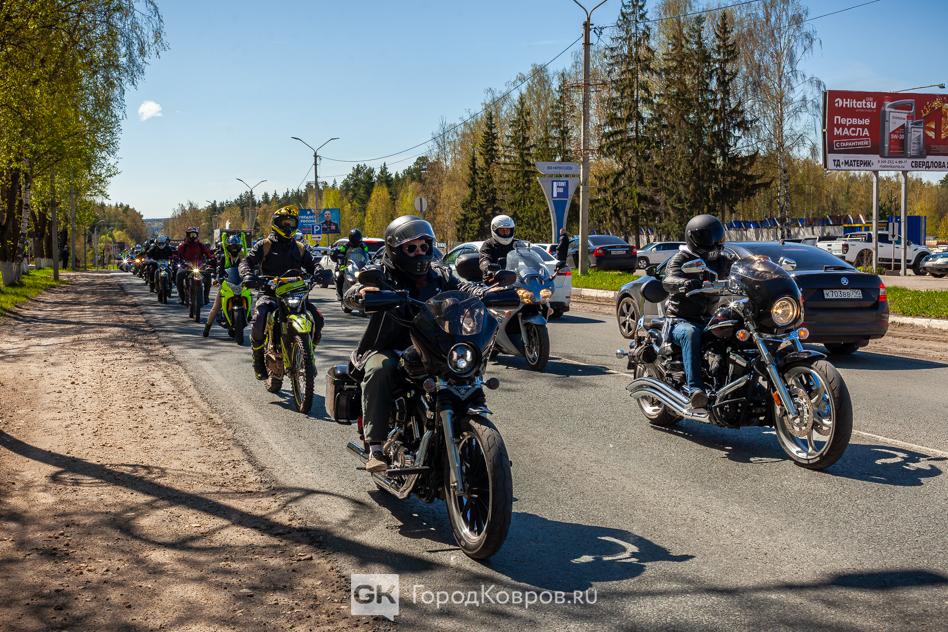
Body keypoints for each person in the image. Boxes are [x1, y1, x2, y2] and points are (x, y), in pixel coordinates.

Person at [344, 215, 485, 473]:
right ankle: (376, 446)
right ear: (395, 250)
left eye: (423, 246)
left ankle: (472, 435)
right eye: (411, 248)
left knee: (464, 369)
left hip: (433, 346)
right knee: (380, 369)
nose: (419, 253)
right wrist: (360, 294)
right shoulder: (383, 274)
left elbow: (464, 288)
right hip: (389, 346)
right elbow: (353, 292)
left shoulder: (439, 274)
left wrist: (484, 291)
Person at [239, 205, 325, 379]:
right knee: (260, 318)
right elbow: (246, 262)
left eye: (291, 223)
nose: (288, 226)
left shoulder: (300, 247)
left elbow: (313, 264)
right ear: (276, 223)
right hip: (270, 294)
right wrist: (247, 274)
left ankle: (308, 357)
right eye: (285, 222)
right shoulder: (265, 245)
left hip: (296, 294)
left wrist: (320, 271)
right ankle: (258, 361)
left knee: (317, 318)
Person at [661, 214, 734, 409]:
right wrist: (683, 283)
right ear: (696, 238)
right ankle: (695, 390)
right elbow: (669, 280)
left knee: (736, 331)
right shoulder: (681, 258)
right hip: (680, 320)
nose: (716, 242)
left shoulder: (722, 260)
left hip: (709, 319)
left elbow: (740, 268)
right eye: (711, 237)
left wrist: (761, 269)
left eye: (718, 237)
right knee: (691, 333)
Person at [203, 234, 245, 337]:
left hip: (240, 285)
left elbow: (248, 270)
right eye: (232, 246)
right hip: (226, 284)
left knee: (252, 300)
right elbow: (220, 272)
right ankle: (207, 328)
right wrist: (218, 279)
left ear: (240, 247)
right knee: (216, 307)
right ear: (228, 247)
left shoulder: (243, 258)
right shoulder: (223, 258)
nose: (234, 249)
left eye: (236, 246)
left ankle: (250, 318)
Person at [175, 226, 213, 304]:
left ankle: (206, 297)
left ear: (197, 235)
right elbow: (178, 254)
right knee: (179, 275)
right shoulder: (183, 246)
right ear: (188, 235)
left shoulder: (200, 245)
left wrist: (212, 258)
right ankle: (181, 297)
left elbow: (207, 253)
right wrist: (176, 258)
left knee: (208, 275)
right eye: (191, 234)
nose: (193, 236)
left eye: (194, 234)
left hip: (199, 266)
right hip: (186, 266)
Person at [331, 229, 369, 300]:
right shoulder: (345, 246)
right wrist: (340, 262)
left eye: (358, 240)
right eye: (355, 240)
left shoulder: (363, 246)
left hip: (359, 265)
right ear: (351, 239)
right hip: (346, 265)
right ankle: (340, 294)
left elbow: (367, 254)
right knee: (340, 276)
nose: (357, 241)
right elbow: (341, 254)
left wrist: (368, 261)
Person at [478, 214, 516, 280]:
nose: (505, 233)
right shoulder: (488, 244)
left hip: (516, 280)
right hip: (493, 280)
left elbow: (528, 257)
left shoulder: (517, 244)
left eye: (507, 230)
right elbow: (484, 259)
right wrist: (487, 267)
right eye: (502, 230)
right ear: (494, 230)